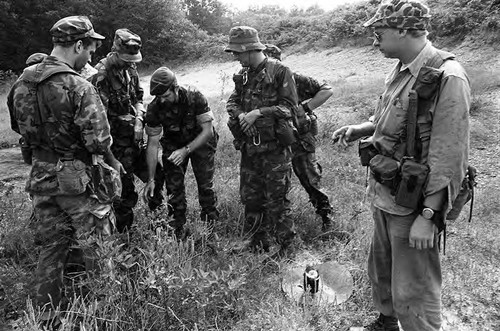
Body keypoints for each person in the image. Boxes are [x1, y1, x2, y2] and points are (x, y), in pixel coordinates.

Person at [332, 1, 470, 330]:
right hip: (386, 193)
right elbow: (395, 121)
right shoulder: (401, 69)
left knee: (414, 285)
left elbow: (449, 155)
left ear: (404, 31)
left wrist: (429, 216)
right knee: (382, 268)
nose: (374, 40)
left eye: (379, 33)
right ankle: (386, 321)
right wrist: (362, 129)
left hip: (414, 204)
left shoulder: (448, 78)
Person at [7, 15, 122, 325]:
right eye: (90, 48)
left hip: (41, 178)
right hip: (78, 182)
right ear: (78, 44)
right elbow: (98, 142)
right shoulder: (79, 86)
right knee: (98, 251)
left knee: (51, 252)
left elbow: (19, 127)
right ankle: (105, 319)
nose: (92, 55)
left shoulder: (21, 83)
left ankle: (45, 318)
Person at [225, 26, 298, 257]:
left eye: (237, 53)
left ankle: (286, 248)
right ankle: (257, 242)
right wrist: (240, 116)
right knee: (251, 198)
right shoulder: (243, 75)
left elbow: (290, 108)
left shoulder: (280, 71)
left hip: (275, 150)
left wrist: (258, 113)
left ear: (248, 49)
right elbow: (232, 102)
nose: (235, 57)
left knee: (277, 200)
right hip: (250, 148)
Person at [89, 28, 164, 233]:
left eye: (134, 60)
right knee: (124, 191)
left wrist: (139, 118)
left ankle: (158, 223)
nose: (131, 63)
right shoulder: (100, 76)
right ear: (115, 52)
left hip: (134, 140)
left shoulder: (130, 68)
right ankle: (124, 236)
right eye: (127, 59)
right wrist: (110, 158)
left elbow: (138, 98)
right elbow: (98, 122)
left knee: (156, 174)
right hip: (115, 146)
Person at [263, 44, 335, 232]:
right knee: (273, 181)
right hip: (275, 139)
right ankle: (275, 222)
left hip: (300, 138)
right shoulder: (258, 82)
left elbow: (327, 89)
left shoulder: (295, 78)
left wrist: (305, 107)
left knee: (310, 178)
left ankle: (326, 216)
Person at [143, 67, 219, 238]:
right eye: (159, 97)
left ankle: (211, 231)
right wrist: (151, 178)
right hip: (173, 142)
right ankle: (177, 232)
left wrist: (186, 151)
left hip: (201, 141)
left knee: (205, 186)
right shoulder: (154, 108)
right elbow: (153, 145)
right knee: (174, 189)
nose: (162, 101)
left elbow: (208, 132)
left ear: (175, 88)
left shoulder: (194, 96)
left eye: (166, 96)